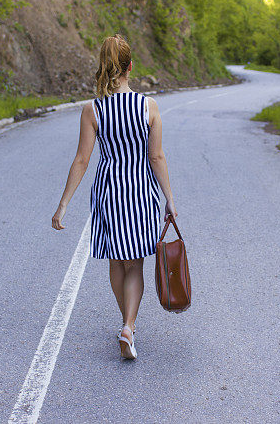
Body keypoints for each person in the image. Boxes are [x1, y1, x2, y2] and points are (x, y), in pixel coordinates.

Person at [51, 34, 178, 360]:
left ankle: (126, 324)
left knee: (116, 262)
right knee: (134, 264)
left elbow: (82, 160)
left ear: (103, 67)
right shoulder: (148, 107)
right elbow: (157, 157)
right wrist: (170, 198)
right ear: (130, 66)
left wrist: (63, 204)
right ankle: (128, 326)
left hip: (108, 192)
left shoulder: (92, 109)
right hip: (139, 191)